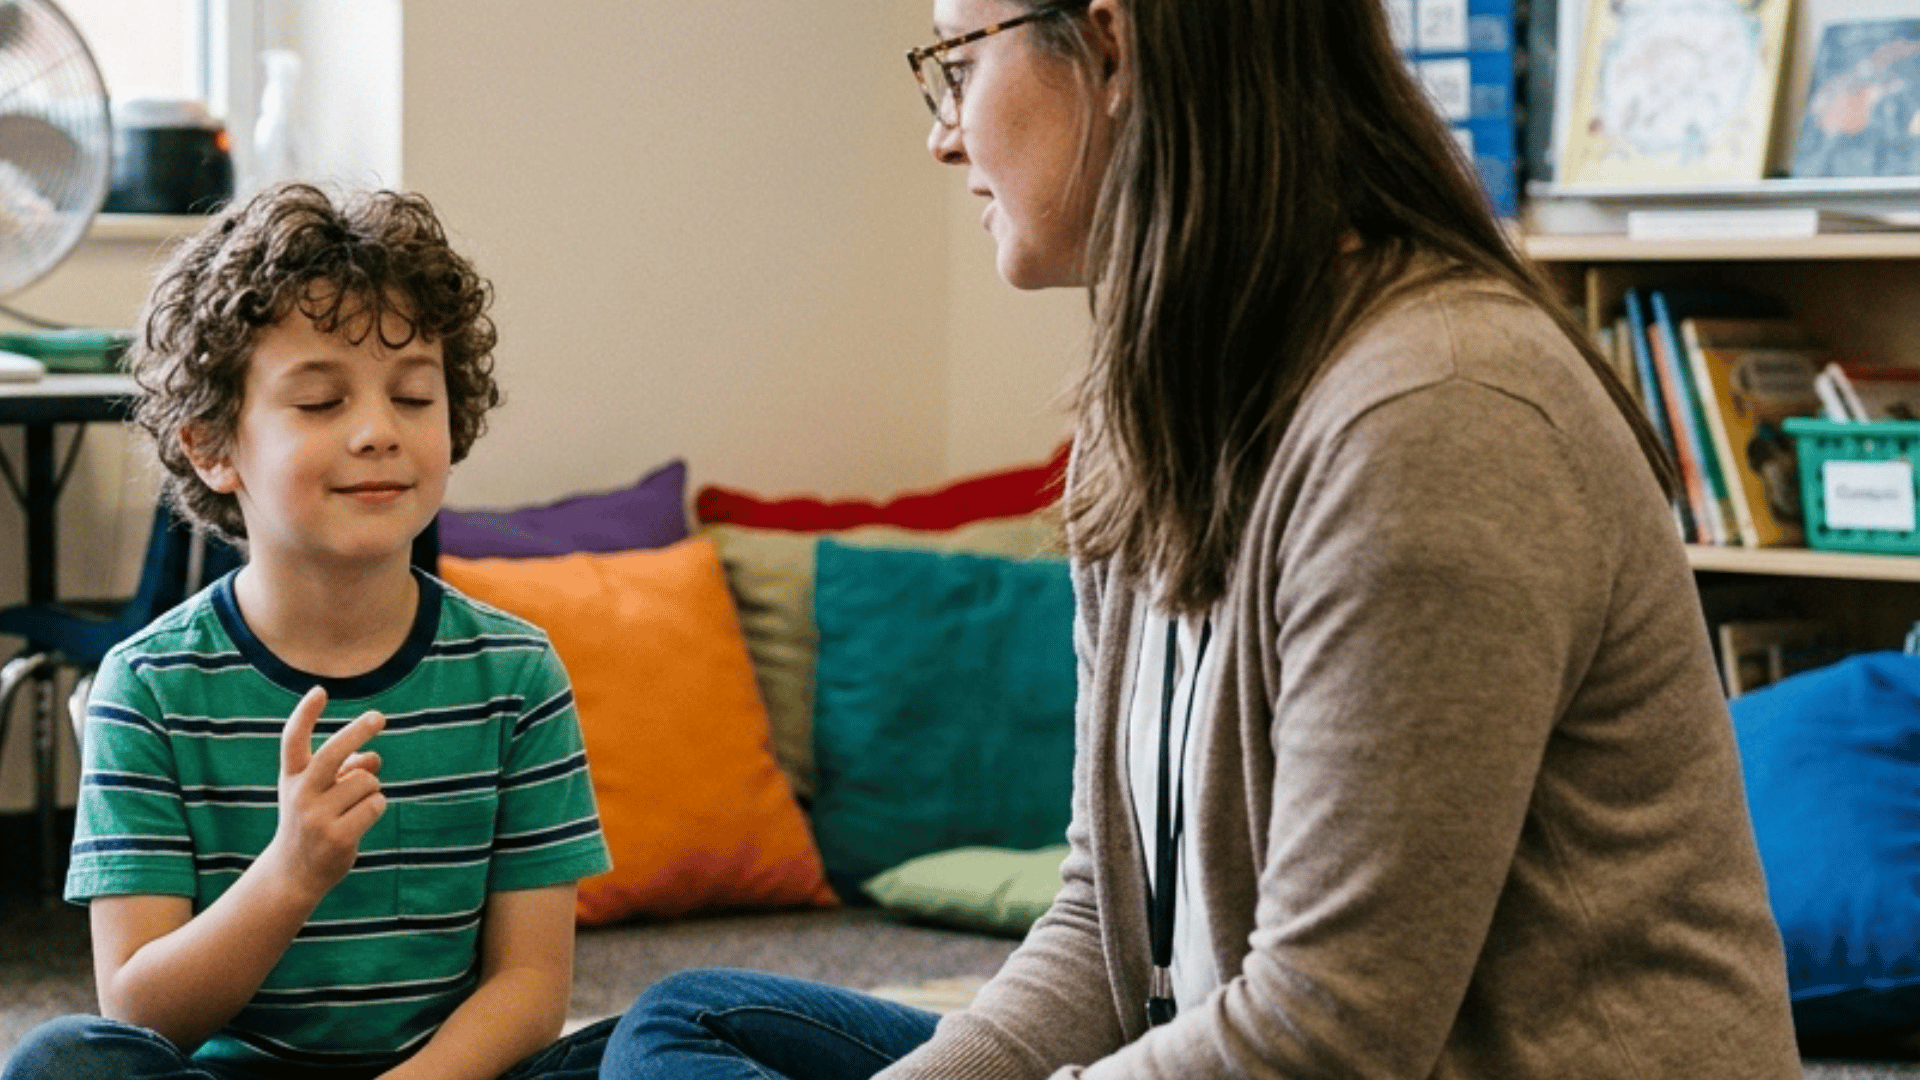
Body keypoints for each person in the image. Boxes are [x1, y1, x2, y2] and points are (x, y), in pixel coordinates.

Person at [602, 0, 1803, 1078]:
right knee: (681, 1026)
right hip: (1221, 1046)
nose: (944, 132)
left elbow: (1331, 1029)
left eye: (956, 62)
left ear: (1111, 45)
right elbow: (1102, 919)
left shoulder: (1434, 416)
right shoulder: (1159, 404)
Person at [0, 182, 614, 1080]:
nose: (378, 432)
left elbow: (528, 984)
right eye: (321, 403)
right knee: (65, 1062)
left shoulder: (516, 673)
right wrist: (292, 872)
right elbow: (139, 1010)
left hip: (449, 1073)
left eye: (414, 395)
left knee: (668, 1031)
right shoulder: (151, 687)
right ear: (213, 444)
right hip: (237, 1070)